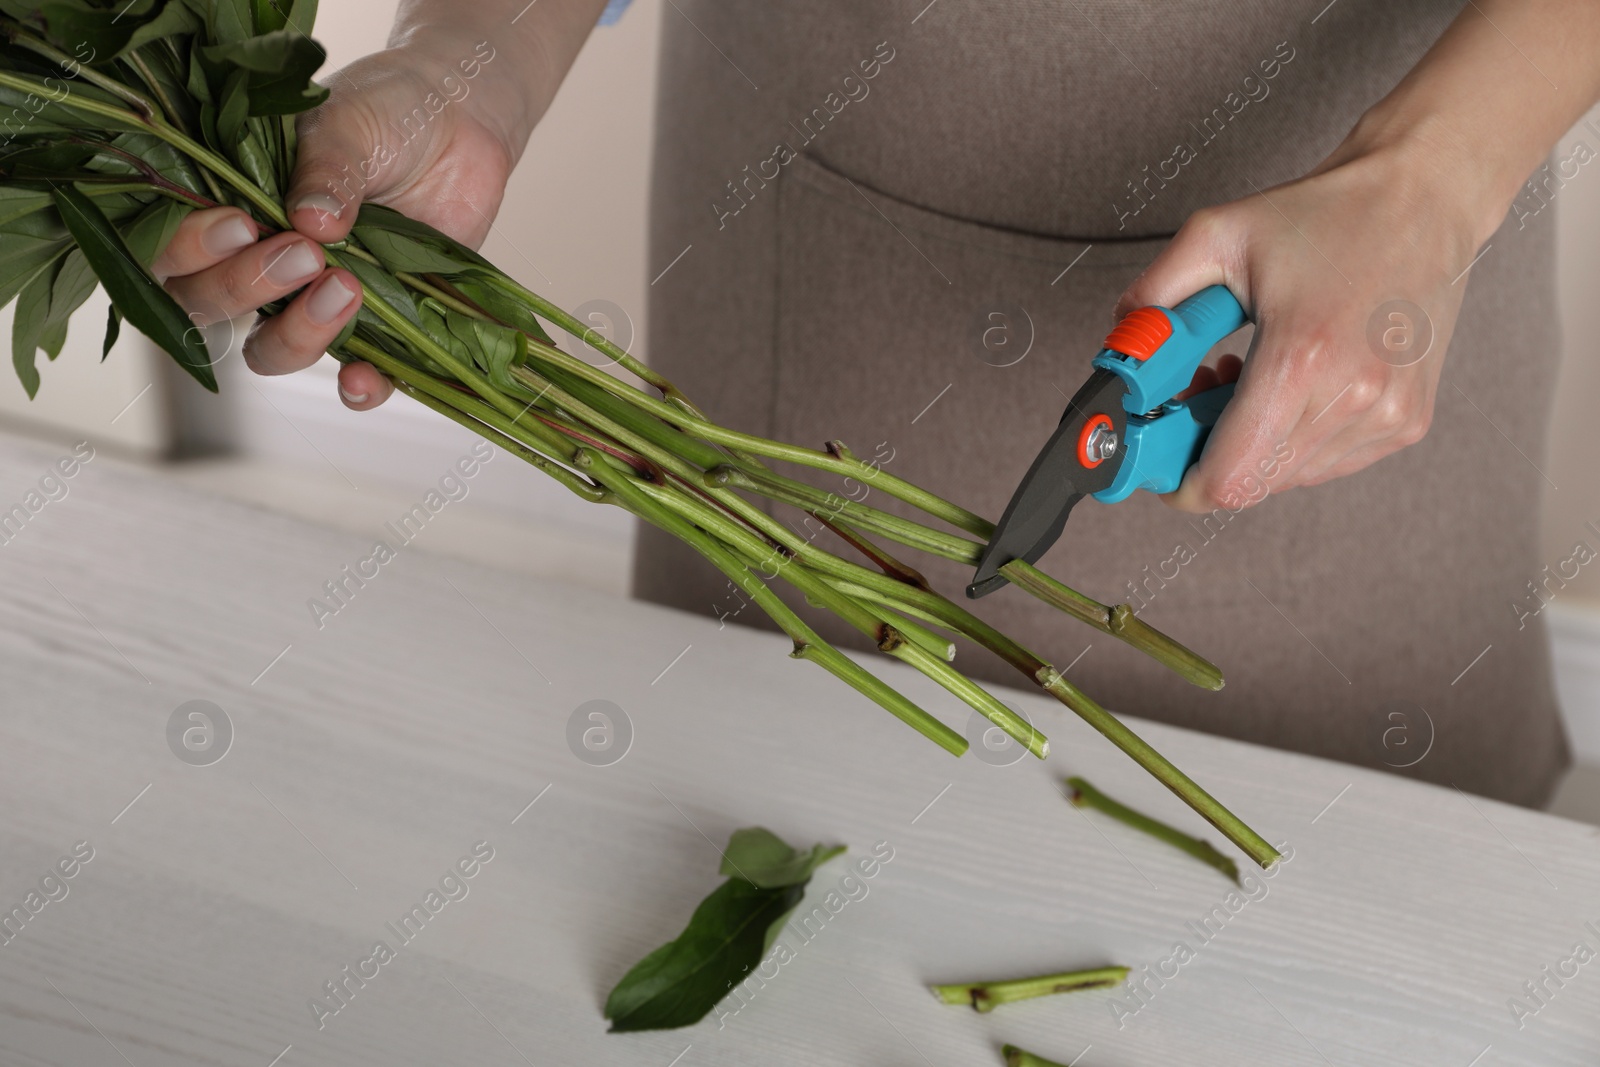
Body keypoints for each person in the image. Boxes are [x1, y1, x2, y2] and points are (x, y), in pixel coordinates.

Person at [155, 0, 1600, 806]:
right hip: (812, 329)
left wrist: (1424, 179)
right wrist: (473, 63)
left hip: (1381, 309)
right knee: (775, 872)